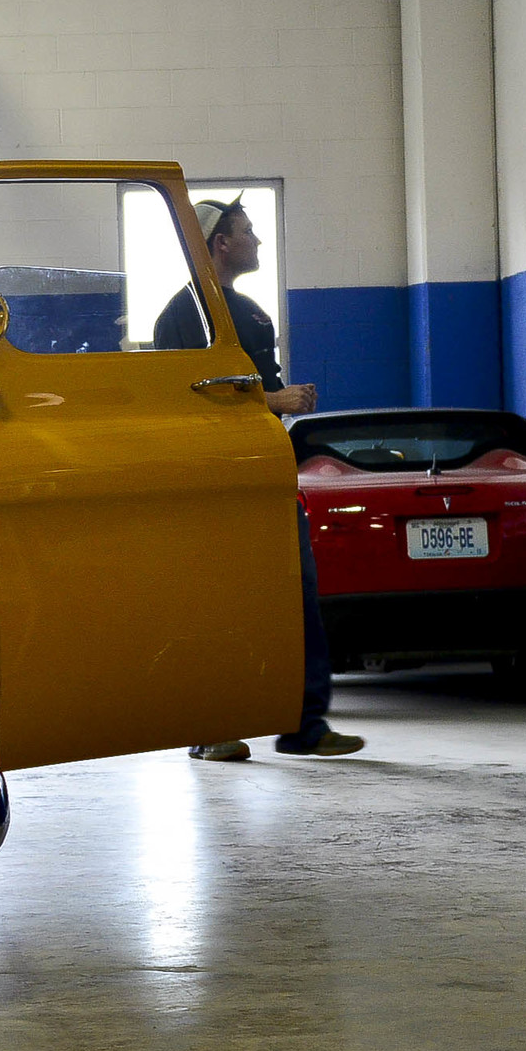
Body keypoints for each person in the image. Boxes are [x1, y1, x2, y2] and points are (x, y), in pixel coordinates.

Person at [158, 198, 363, 761]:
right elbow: (180, 405)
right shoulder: (179, 319)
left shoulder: (251, 317)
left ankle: (306, 725)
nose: (258, 242)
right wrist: (272, 398)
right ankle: (210, 727)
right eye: (248, 233)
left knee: (298, 596)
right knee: (214, 605)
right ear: (221, 243)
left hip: (266, 480)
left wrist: (274, 403)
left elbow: (255, 402)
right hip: (206, 488)